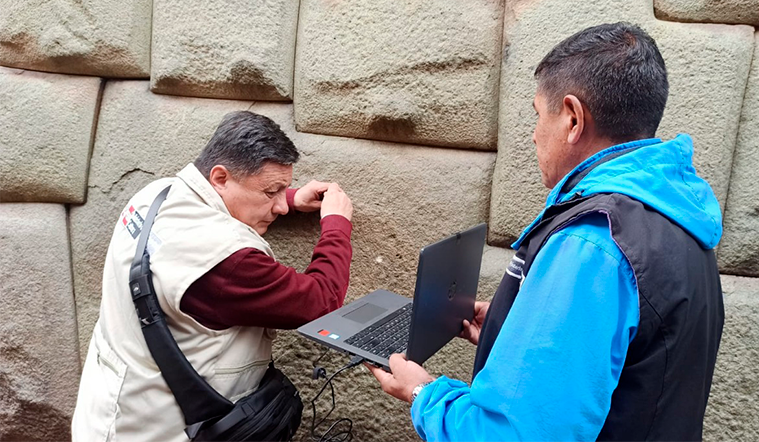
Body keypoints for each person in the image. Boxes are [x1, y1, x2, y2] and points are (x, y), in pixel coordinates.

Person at [368, 22, 724, 442]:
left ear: (573, 119)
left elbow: (515, 435)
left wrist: (424, 393)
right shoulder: (677, 218)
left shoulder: (592, 242)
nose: (535, 134)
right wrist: (512, 327)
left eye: (539, 116)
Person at [72, 111, 354, 442]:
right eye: (270, 192)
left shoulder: (154, 195)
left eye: (283, 190)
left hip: (107, 414)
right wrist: (336, 224)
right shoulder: (226, 264)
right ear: (220, 178)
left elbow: (212, 206)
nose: (279, 206)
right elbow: (320, 302)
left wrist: (290, 198)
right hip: (160, 431)